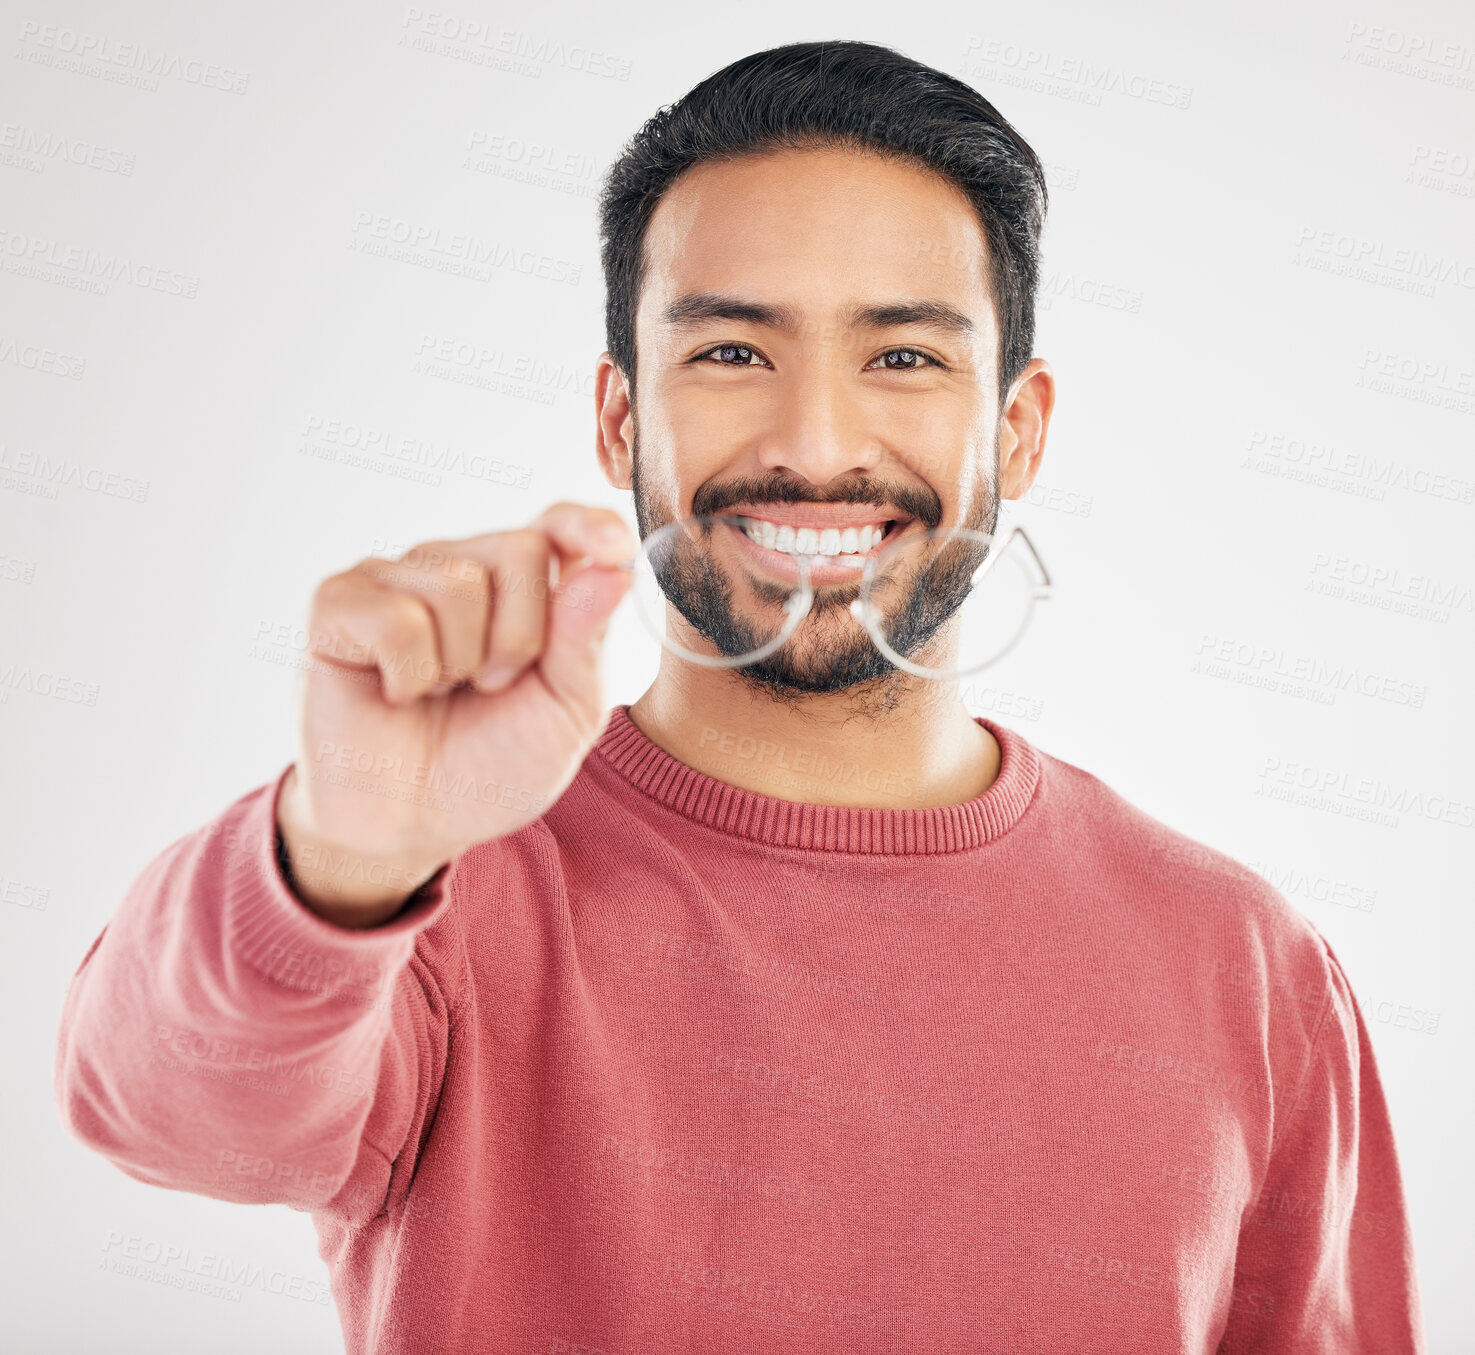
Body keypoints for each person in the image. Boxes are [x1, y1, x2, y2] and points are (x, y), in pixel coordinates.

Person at [54, 39, 1425, 1354]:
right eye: (729, 353)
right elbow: (162, 1114)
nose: (817, 446)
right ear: (619, 419)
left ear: (1018, 429)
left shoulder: (1251, 970)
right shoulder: (430, 901)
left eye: (903, 356)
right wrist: (346, 853)